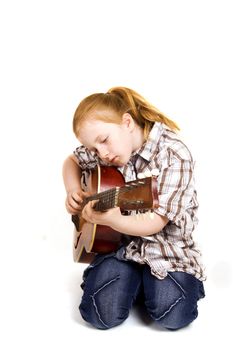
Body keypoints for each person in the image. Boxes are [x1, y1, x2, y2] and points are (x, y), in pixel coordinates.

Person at [62, 86, 206, 330]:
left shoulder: (173, 154)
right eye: (95, 149)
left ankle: (145, 282)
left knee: (173, 314)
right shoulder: (105, 152)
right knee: (98, 314)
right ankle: (132, 280)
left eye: (104, 141)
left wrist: (113, 221)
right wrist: (73, 189)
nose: (102, 154)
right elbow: (72, 161)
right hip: (119, 248)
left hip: (167, 252)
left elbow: (156, 221)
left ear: (127, 122)